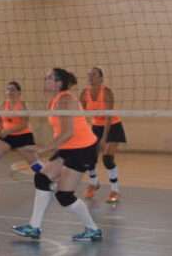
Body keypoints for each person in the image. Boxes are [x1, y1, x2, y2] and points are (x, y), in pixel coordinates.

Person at [11, 68, 103, 242]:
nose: (45, 80)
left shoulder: (66, 99)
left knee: (64, 195)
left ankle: (93, 230)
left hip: (83, 149)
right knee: (42, 179)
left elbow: (67, 132)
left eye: (49, 78)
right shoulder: (56, 100)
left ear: (58, 83)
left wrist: (42, 149)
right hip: (69, 147)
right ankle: (34, 227)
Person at [0, 81, 43, 193]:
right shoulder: (3, 103)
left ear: (19, 92)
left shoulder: (23, 105)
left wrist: (8, 131)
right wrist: (0, 128)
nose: (10, 92)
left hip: (23, 136)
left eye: (13, 89)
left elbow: (24, 124)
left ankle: (49, 180)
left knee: (34, 164)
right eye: (8, 89)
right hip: (6, 136)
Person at [80, 66, 127, 204]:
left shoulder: (106, 92)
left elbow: (109, 117)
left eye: (93, 74)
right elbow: (81, 116)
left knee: (107, 158)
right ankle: (94, 183)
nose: (90, 77)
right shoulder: (84, 93)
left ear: (101, 78)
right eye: (88, 74)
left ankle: (115, 191)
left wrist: (103, 139)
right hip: (96, 127)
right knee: (89, 158)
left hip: (112, 126)